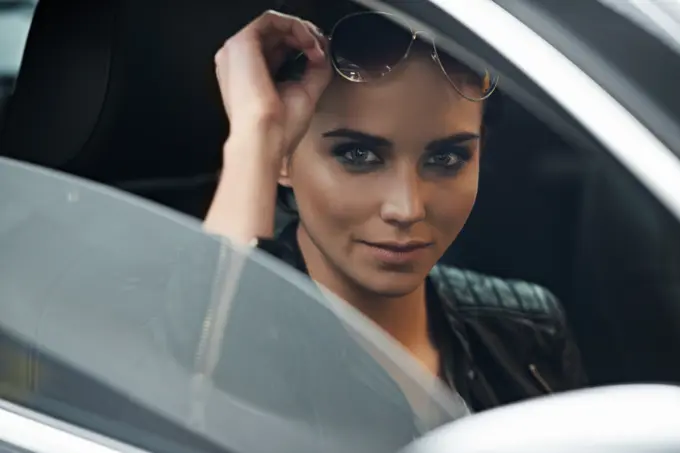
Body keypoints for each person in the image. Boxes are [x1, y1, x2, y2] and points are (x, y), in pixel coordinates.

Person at [205, 3, 588, 412]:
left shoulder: (527, 330)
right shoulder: (231, 332)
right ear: (281, 154)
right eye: (358, 155)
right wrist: (254, 133)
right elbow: (191, 386)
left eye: (446, 159)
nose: (407, 208)